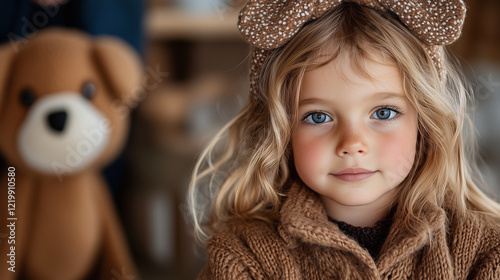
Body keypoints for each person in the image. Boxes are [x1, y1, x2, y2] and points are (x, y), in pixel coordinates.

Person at [188, 1, 500, 279]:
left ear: (425, 122)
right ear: (281, 132)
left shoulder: (484, 250)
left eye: (383, 112)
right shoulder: (243, 255)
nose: (352, 143)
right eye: (318, 117)